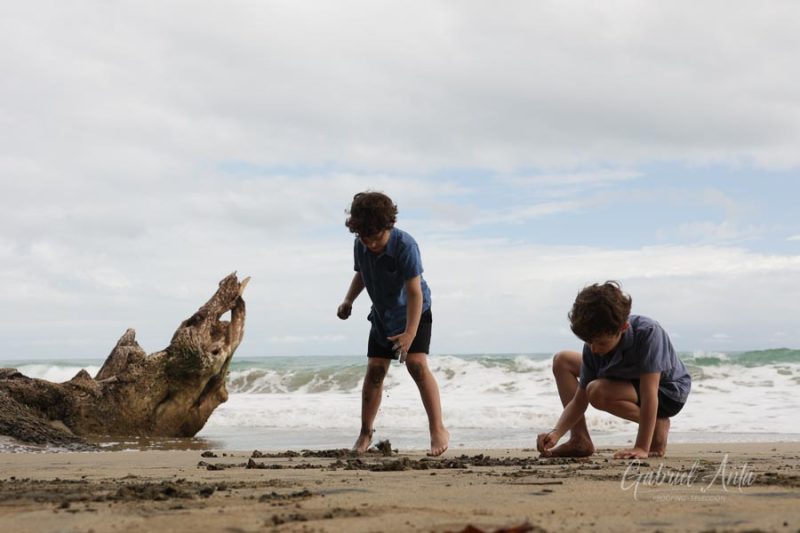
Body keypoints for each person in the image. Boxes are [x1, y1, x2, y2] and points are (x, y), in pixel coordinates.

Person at [336, 191, 449, 457]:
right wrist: (348, 300)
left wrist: (410, 333)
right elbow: (362, 273)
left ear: (389, 226)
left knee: (417, 365)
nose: (371, 244)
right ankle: (365, 433)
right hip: (382, 315)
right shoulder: (361, 244)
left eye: (376, 238)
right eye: (364, 238)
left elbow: (414, 292)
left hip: (415, 312)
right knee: (375, 370)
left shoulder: (405, 246)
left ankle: (438, 429)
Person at [537, 281, 691, 459]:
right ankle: (579, 440)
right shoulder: (594, 344)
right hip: (624, 377)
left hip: (666, 392)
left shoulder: (648, 333)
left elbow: (649, 393)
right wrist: (556, 433)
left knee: (597, 390)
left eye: (601, 343)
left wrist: (641, 447)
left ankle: (657, 424)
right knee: (562, 360)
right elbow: (579, 400)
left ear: (623, 328)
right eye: (589, 342)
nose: (594, 349)